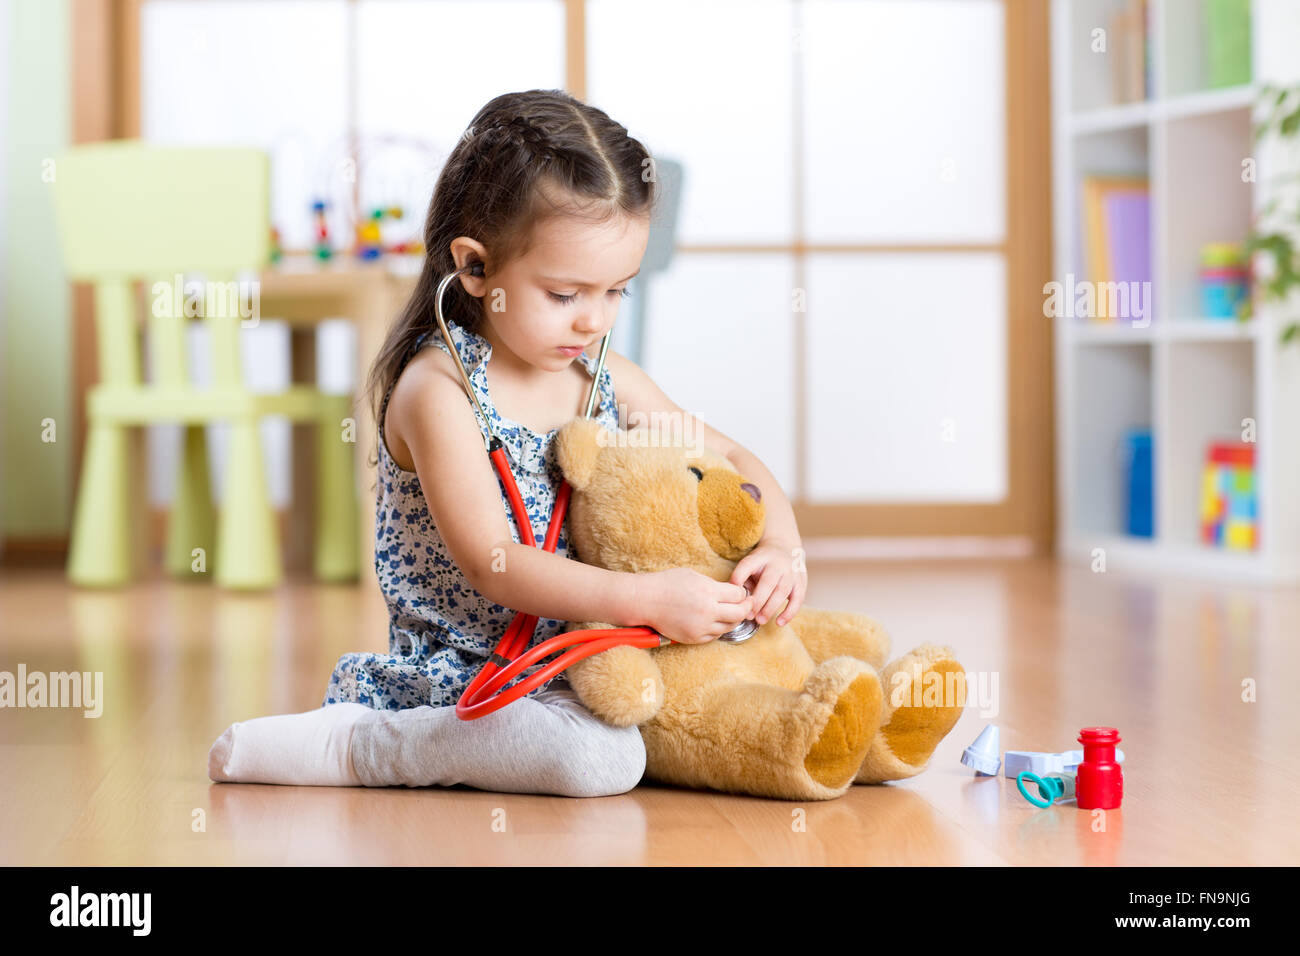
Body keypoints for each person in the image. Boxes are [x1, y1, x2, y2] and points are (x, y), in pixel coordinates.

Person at [207, 89, 807, 797]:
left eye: (618, 292)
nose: (594, 319)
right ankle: (363, 745)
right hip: (475, 672)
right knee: (601, 762)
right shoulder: (441, 393)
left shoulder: (605, 378)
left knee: (762, 680)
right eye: (565, 294)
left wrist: (780, 546)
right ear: (476, 268)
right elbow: (496, 565)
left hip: (589, 654)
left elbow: (735, 461)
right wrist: (646, 597)